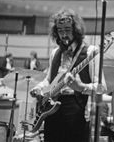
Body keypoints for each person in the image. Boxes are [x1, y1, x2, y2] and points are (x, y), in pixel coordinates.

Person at [30, 8, 106, 142]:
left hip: (77, 110)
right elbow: (49, 80)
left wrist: (81, 86)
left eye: (67, 30)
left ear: (76, 30)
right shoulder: (55, 53)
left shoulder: (91, 52)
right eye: (60, 31)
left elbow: (102, 88)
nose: (64, 35)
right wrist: (39, 88)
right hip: (51, 111)